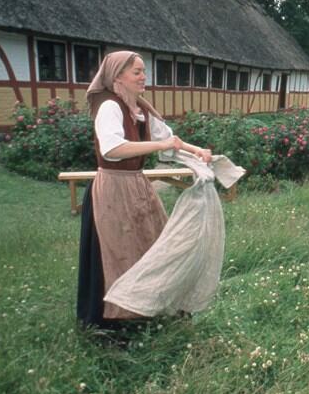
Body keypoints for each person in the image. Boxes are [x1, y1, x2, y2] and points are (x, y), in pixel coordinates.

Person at [77, 51, 211, 328]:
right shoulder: (110, 107)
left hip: (137, 186)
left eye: (143, 71)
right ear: (117, 77)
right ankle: (111, 324)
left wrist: (197, 151)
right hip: (112, 190)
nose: (143, 77)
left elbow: (169, 139)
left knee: (153, 246)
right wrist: (161, 146)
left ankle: (145, 311)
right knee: (116, 253)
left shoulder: (138, 109)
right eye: (136, 72)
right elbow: (112, 148)